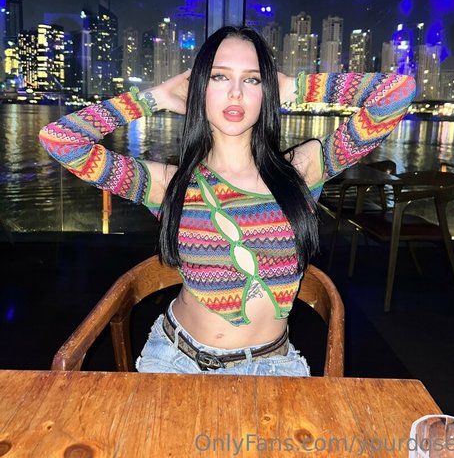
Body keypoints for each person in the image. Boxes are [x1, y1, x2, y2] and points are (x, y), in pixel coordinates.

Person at [39, 25, 416, 376]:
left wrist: (295, 87)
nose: (236, 93)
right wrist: (154, 97)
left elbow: (397, 93)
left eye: (251, 79)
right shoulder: (168, 183)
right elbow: (61, 140)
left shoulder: (301, 170)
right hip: (175, 360)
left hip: (272, 366)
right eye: (219, 77)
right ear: (199, 87)